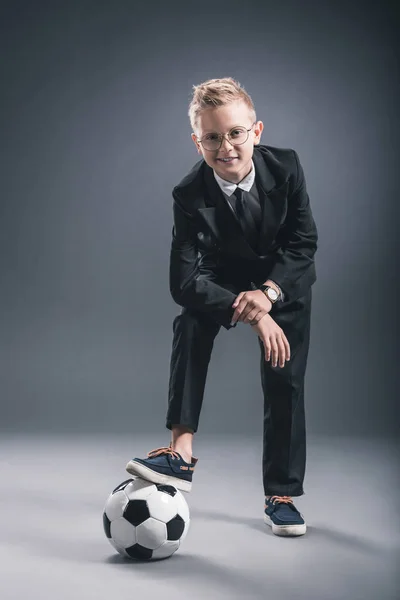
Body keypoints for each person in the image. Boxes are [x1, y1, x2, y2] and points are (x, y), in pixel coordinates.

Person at [126, 77, 318, 537]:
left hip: (282, 282)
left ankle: (282, 494)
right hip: (224, 284)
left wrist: (270, 294)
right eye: (212, 137)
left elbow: (303, 242)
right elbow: (184, 281)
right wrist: (252, 311)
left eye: (235, 133)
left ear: (256, 131)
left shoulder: (286, 167)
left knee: (284, 378)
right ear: (197, 142)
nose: (225, 146)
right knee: (189, 324)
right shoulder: (188, 194)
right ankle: (181, 453)